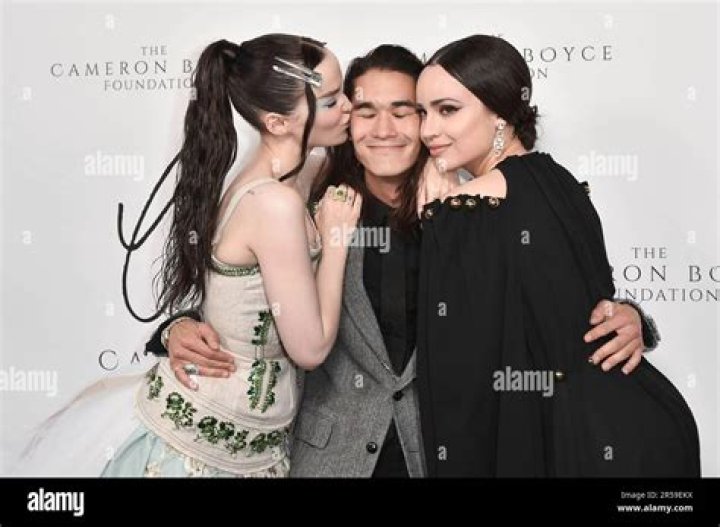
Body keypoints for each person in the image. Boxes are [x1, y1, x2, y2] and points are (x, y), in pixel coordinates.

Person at [147, 45, 659, 477]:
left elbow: (545, 295)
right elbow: (248, 289)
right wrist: (178, 328)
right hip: (328, 458)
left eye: (404, 110)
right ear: (345, 119)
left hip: (441, 455)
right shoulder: (310, 197)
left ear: (426, 119)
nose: (384, 129)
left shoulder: (474, 208)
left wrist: (629, 317)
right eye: (366, 111)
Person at [17, 34, 361, 478]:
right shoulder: (272, 203)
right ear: (278, 122)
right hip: (203, 443)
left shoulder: (297, 174)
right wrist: (335, 240)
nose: (349, 107)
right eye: (331, 101)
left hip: (253, 439)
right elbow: (310, 348)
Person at [415, 34, 700, 477]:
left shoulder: (464, 212)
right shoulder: (563, 183)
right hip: (648, 428)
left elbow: (463, 391)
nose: (427, 130)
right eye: (421, 112)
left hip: (571, 449)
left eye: (447, 110)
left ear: (500, 112)